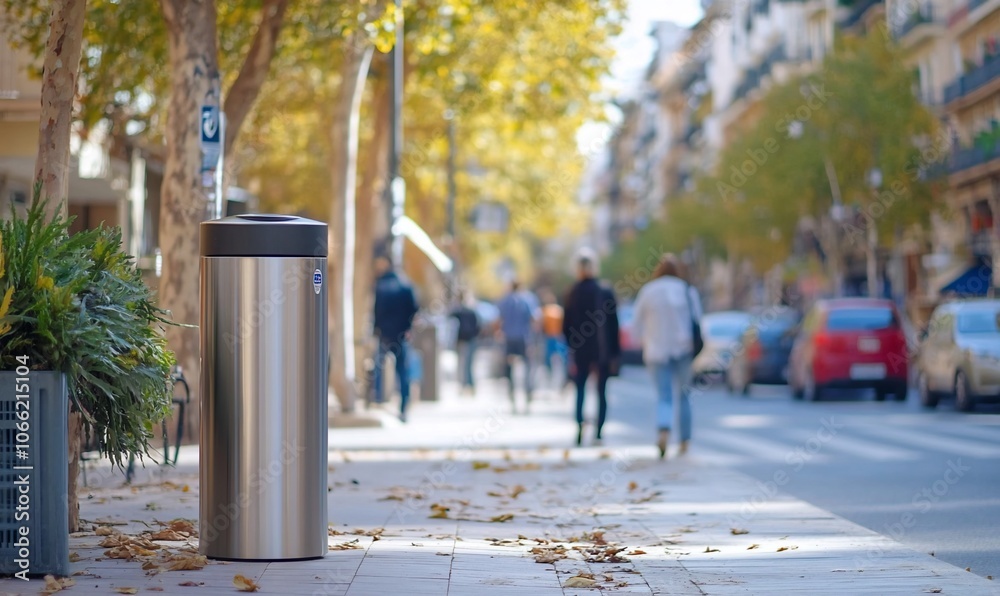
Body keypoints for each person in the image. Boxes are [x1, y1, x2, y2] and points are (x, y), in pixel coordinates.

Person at [632, 253, 702, 459]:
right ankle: (685, 441)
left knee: (664, 395)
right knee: (684, 395)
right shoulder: (687, 290)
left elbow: (635, 326)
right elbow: (698, 321)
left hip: (656, 350)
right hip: (683, 349)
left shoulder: (648, 291)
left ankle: (664, 430)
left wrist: (646, 339)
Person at [562, 250, 620, 446]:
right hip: (602, 350)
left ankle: (580, 426)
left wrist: (571, 344)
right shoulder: (604, 291)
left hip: (580, 349)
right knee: (601, 391)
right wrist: (615, 353)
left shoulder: (572, 292)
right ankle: (599, 432)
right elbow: (614, 325)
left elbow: (566, 324)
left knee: (580, 389)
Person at [372, 255, 419, 422]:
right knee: (402, 371)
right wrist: (408, 328)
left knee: (378, 367)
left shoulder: (381, 286)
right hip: (401, 334)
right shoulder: (406, 286)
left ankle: (377, 400)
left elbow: (376, 311)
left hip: (385, 333)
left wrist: (376, 330)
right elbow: (414, 309)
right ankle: (404, 406)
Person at [496, 279, 539, 413]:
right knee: (528, 368)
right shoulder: (527, 300)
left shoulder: (505, 301)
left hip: (509, 339)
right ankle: (527, 397)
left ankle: (512, 399)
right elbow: (534, 319)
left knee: (509, 369)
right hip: (524, 339)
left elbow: (498, 319)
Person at [450, 290, 480, 395]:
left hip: (462, 340)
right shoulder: (472, 311)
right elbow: (478, 327)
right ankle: (470, 387)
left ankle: (465, 386)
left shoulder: (458, 312)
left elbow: (449, 315)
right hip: (471, 340)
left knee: (462, 365)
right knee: (469, 365)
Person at [539, 289, 568, 389]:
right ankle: (563, 380)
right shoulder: (559, 310)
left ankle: (550, 380)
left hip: (550, 337)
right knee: (562, 360)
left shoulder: (545, 310)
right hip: (558, 337)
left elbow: (540, 325)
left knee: (548, 360)